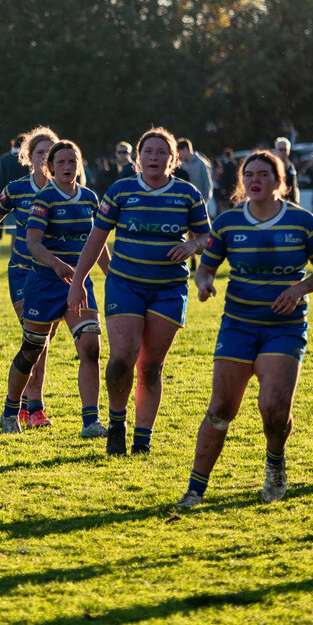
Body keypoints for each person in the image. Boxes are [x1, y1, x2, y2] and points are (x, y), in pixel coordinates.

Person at [179, 150, 313, 509]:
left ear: (279, 182)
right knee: (220, 407)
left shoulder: (303, 221)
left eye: (265, 174)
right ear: (241, 181)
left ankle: (275, 461)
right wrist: (203, 283)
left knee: (274, 408)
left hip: (284, 327)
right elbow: (206, 267)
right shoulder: (229, 222)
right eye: (249, 173)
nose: (256, 179)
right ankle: (195, 490)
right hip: (238, 325)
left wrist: (297, 290)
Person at [67, 129, 210, 457]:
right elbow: (95, 239)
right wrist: (77, 282)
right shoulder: (120, 191)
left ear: (172, 159)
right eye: (149, 152)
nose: (155, 158)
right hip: (125, 284)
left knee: (150, 366)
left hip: (169, 289)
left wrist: (192, 244)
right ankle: (117, 424)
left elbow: (207, 238)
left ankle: (143, 439)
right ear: (138, 157)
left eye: (162, 153)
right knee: (122, 356)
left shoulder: (187, 195)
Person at [13, 140, 109, 438]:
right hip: (44, 283)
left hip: (79, 284)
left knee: (90, 348)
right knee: (32, 350)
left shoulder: (91, 199)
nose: (68, 167)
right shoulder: (44, 199)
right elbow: (32, 243)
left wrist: (114, 275)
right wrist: (56, 265)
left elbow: (98, 244)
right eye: (62, 162)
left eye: (73, 161)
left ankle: (90, 421)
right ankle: (11, 409)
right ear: (50, 167)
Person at [0, 127, 58, 428]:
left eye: (51, 153)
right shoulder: (17, 189)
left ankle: (24, 403)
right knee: (36, 339)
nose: (46, 158)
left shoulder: (65, 191)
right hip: (23, 273)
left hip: (56, 275)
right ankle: (33, 406)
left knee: (44, 340)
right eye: (40, 153)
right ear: (28, 157)